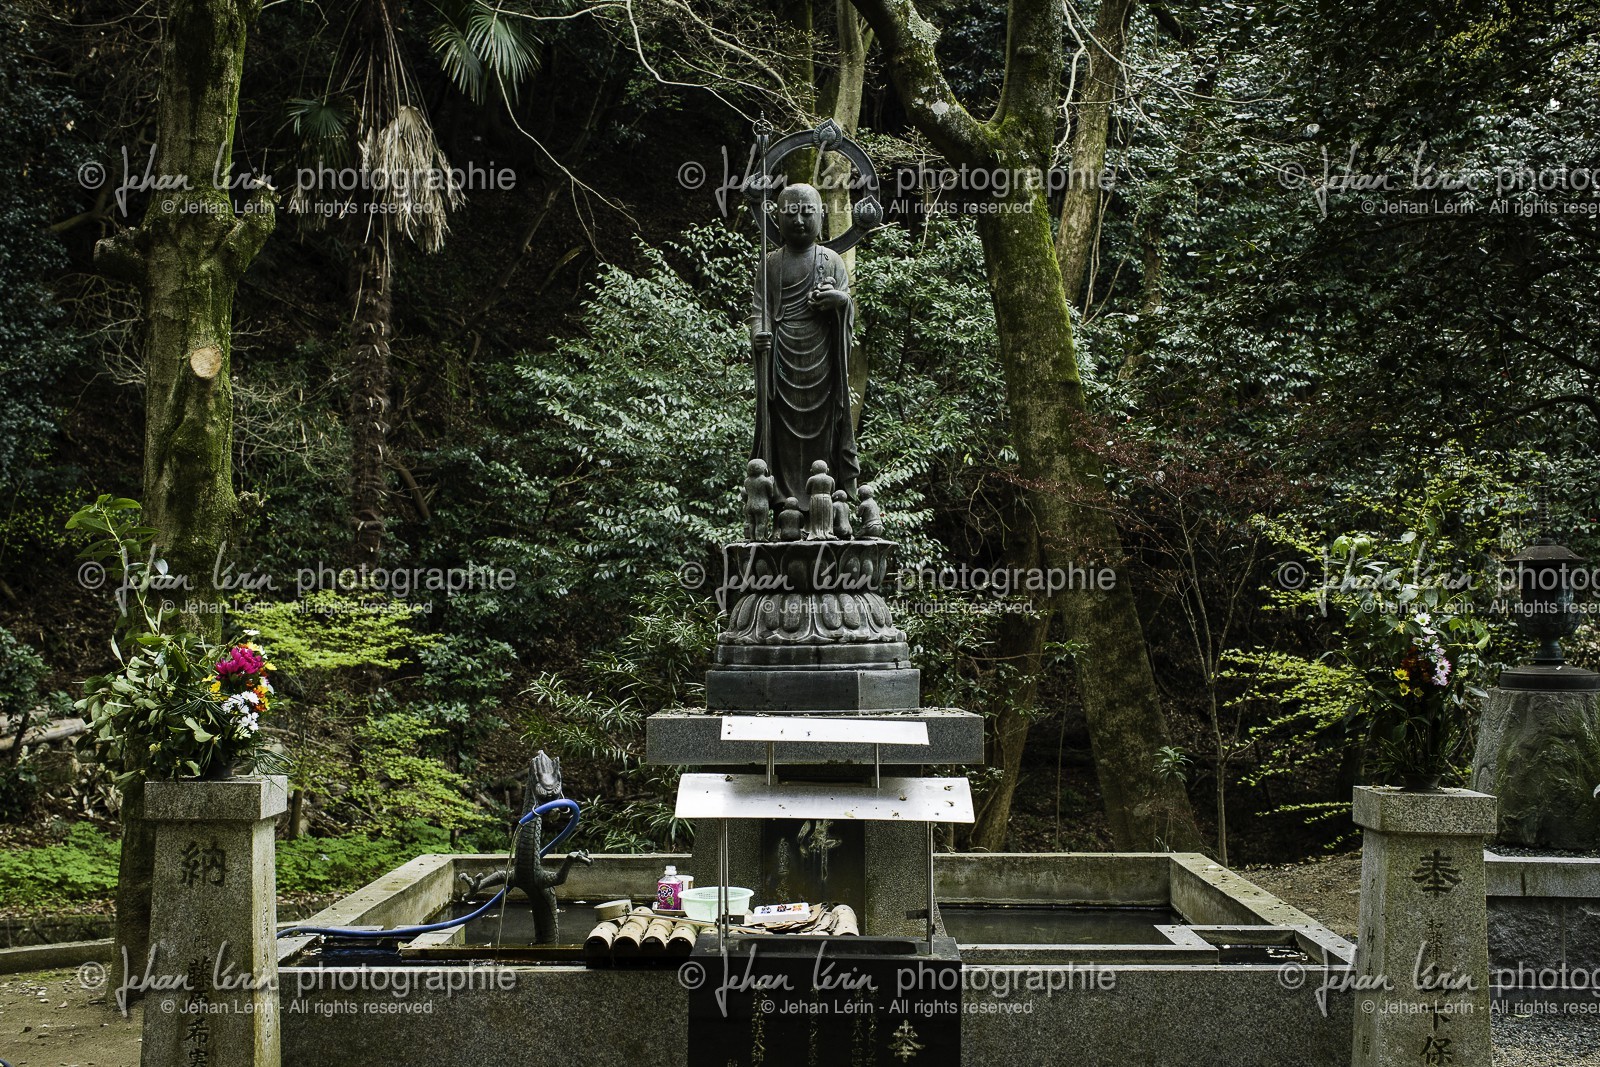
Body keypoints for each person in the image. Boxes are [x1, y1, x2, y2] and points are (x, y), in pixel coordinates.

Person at [751, 183, 859, 504]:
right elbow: (760, 310)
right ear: (777, 218)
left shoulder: (832, 261)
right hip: (781, 359)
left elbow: (846, 304)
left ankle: (822, 494)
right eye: (791, 213)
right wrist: (759, 332)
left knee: (824, 426)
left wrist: (839, 301)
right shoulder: (770, 263)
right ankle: (787, 499)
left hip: (823, 357)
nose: (799, 220)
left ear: (821, 216)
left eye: (807, 212)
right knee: (782, 433)